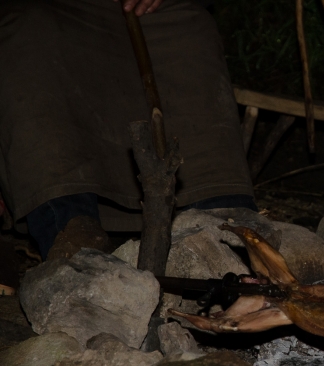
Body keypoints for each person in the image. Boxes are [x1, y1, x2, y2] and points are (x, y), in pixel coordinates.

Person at [0, 0, 256, 261]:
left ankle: (225, 227)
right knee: (28, 30)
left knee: (192, 22)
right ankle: (74, 234)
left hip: (136, 10)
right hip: (48, 8)